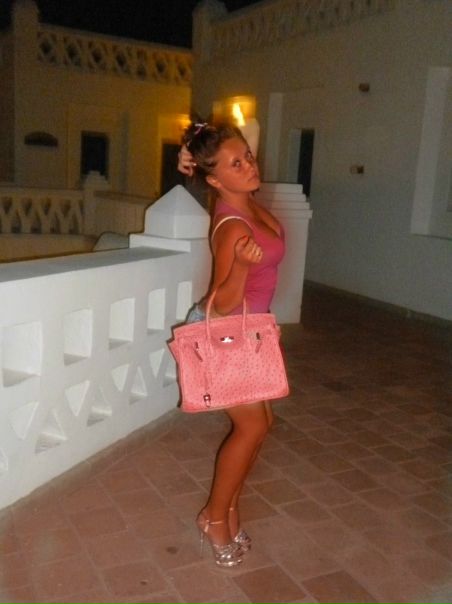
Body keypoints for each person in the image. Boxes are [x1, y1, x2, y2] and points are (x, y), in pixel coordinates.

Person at [177, 121, 285, 567]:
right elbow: (221, 302)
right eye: (236, 164)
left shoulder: (244, 198)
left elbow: (247, 132)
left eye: (249, 157)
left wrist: (194, 144)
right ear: (215, 180)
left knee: (262, 423)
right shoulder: (232, 227)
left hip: (250, 331)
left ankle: (231, 511)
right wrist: (240, 266)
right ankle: (214, 517)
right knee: (251, 427)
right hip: (226, 332)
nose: (249, 166)